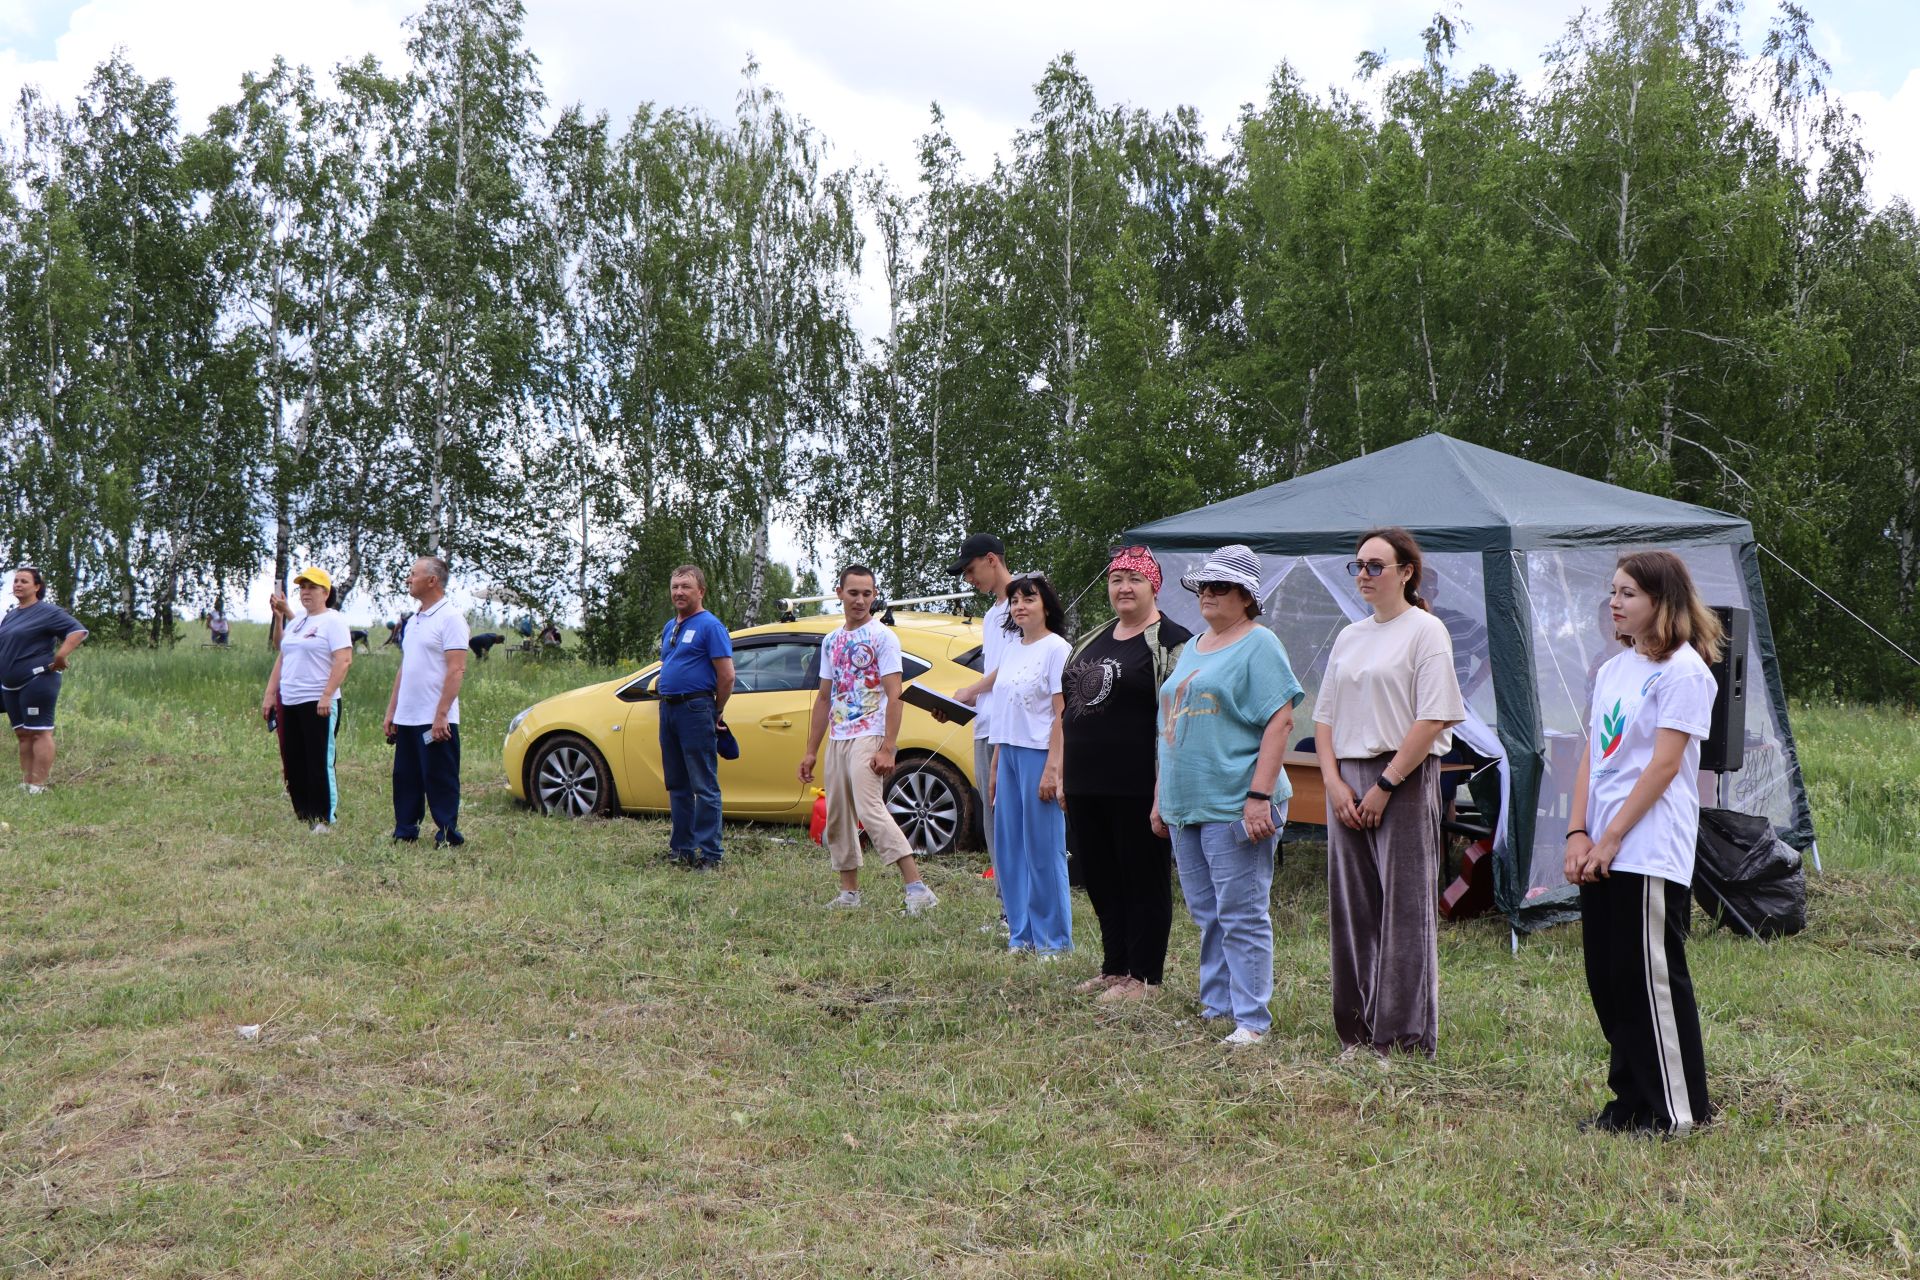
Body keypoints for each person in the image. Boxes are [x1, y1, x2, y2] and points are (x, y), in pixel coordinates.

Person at [1564, 550, 1722, 1136]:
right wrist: (1578, 833)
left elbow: (1663, 767)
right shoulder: (1613, 669)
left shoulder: (1685, 671)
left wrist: (1611, 838)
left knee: (1650, 979)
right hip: (1603, 844)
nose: (1614, 601)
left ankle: (1680, 1111)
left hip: (1647, 847)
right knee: (1608, 977)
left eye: (1628, 592)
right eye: (1613, 591)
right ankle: (1631, 1102)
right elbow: (1592, 757)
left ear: (1662, 601)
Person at [1313, 527, 1466, 1060]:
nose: (1363, 575)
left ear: (1406, 572)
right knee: (1352, 911)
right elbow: (1325, 716)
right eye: (1357, 565)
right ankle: (1355, 1033)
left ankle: (1401, 1041)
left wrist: (1384, 785)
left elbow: (1432, 718)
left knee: (1405, 913)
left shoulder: (1427, 631)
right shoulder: (1351, 636)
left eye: (1375, 565)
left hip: (1403, 774)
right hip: (1347, 779)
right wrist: (1333, 782)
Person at [1154, 545, 1303, 1047]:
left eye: (1219, 586)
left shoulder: (1260, 644)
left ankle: (1252, 1019)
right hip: (1185, 803)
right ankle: (1217, 1005)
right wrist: (1160, 799)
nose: (1207, 594)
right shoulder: (1194, 646)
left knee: (1240, 911)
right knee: (1207, 912)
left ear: (1245, 596)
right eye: (1203, 585)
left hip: (1237, 799)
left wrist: (1259, 795)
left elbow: (1281, 720)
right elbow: (1166, 728)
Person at [1062, 546, 1191, 1002]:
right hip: (1084, 780)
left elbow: (1177, 717)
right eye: (1116, 579)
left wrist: (1164, 784)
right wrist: (1061, 772)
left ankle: (1145, 977)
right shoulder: (1093, 638)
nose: (1123, 587)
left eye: (1134, 579)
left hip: (1138, 782)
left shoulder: (1173, 640)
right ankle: (1114, 966)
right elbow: (1066, 708)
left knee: (1142, 877)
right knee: (1099, 876)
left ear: (1153, 585)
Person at [798, 566, 938, 915]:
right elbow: (824, 698)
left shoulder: (883, 637)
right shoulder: (831, 640)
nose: (860, 600)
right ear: (840, 593)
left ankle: (918, 888)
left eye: (867, 594)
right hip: (839, 736)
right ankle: (849, 893)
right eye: (853, 593)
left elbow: (895, 694)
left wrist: (888, 746)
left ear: (875, 596)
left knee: (871, 811)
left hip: (869, 734)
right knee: (838, 816)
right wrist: (811, 751)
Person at [987, 574, 1073, 953]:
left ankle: (1054, 941)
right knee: (1009, 851)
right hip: (1008, 755)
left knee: (1043, 851)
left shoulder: (1057, 649)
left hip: (1040, 756)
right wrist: (995, 767)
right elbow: (1004, 713)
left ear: (1046, 605)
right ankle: (1021, 935)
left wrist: (1054, 769)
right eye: (1015, 600)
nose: (1020, 605)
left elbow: (1062, 715)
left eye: (1029, 598)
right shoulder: (1011, 650)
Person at [383, 555, 469, 847]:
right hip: (408, 715)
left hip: (435, 717)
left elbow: (456, 668)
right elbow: (406, 667)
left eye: (413, 574)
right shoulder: (414, 619)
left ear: (432, 580)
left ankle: (447, 834)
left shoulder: (451, 618)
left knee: (440, 778)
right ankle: (405, 830)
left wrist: (441, 714)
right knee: (405, 777)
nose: (408, 578)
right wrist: (392, 710)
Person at [261, 568, 353, 832]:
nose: (306, 593)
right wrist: (280, 619)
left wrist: (327, 695)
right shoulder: (300, 621)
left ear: (326, 592)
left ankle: (324, 818)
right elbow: (283, 650)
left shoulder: (332, 621)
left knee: (318, 760)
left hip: (318, 701)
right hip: (290, 700)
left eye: (312, 588)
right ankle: (305, 814)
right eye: (302, 588)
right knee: (294, 759)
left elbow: (344, 660)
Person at [656, 564, 735, 870]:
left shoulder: (710, 626)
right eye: (675, 586)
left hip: (696, 709)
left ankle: (711, 855)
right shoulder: (670, 626)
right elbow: (669, 665)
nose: (679, 592)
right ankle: (682, 849)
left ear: (700, 591)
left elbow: (726, 676)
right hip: (669, 709)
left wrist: (716, 711)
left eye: (686, 587)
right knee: (677, 784)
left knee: (704, 786)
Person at [948, 533, 1015, 866]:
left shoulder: (1026, 600)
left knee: (1012, 820)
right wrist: (965, 702)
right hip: (985, 726)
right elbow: (995, 674)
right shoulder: (990, 616)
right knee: (993, 822)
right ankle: (1006, 909)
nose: (969, 580)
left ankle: (1019, 912)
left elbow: (1019, 666)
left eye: (971, 570)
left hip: (1014, 730)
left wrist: (972, 690)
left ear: (992, 559)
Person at [1, 567, 89, 794]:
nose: (18, 584)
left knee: (39, 731)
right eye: (16, 581)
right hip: (10, 683)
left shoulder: (47, 612)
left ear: (37, 587)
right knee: (22, 734)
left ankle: (38, 785)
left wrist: (61, 656)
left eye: (24, 581)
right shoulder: (12, 615)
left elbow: (77, 631)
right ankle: (27, 782)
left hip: (37, 679)